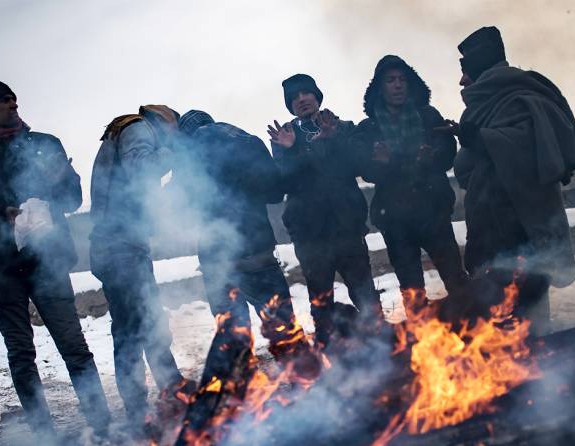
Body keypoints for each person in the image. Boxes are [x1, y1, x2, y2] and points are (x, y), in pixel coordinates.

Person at [0, 80, 111, 435]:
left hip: (47, 260)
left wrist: (61, 179)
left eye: (12, 97)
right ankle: (43, 434)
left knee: (74, 345)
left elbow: (71, 199)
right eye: (2, 100)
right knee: (21, 354)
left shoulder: (44, 145)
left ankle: (101, 422)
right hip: (2, 268)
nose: (12, 102)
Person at [452, 26, 575, 330]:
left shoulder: (520, 96)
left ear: (481, 67)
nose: (461, 80)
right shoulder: (478, 109)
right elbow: (469, 167)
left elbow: (530, 150)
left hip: (524, 222)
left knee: (530, 306)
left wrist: (482, 138)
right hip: (491, 223)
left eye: (465, 71)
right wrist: (470, 140)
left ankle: (541, 365)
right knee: (497, 313)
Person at [90, 104, 193, 428]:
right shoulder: (138, 128)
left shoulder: (124, 131)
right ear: (165, 122)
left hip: (118, 245)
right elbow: (142, 169)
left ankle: (159, 395)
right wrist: (175, 156)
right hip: (121, 247)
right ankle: (155, 401)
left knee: (136, 325)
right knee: (140, 325)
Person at [176, 110, 302, 359]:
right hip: (257, 252)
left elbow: (183, 209)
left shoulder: (187, 156)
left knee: (234, 337)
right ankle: (305, 384)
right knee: (283, 329)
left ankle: (244, 391)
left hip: (217, 261)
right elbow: (275, 193)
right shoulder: (247, 141)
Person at [268, 74, 382, 347]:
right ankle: (327, 350)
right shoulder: (285, 137)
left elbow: (359, 166)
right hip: (310, 234)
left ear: (317, 96)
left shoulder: (341, 127)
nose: (302, 99)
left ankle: (380, 343)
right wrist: (293, 149)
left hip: (346, 227)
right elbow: (285, 181)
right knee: (320, 297)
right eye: (294, 97)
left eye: (306, 92)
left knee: (364, 292)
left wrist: (333, 139)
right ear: (290, 105)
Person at [354, 55, 467, 316]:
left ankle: (472, 327)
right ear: (379, 88)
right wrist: (382, 163)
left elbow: (447, 151)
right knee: (412, 288)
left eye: (403, 79)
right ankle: (422, 339)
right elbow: (364, 169)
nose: (397, 85)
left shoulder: (428, 116)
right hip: (395, 218)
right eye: (391, 80)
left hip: (433, 211)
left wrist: (432, 158)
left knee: (455, 277)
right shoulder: (369, 127)